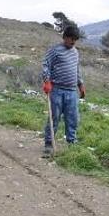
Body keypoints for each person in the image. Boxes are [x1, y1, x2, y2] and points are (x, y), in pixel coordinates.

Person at [41, 25, 85, 155]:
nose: (73, 42)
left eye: (75, 40)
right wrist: (47, 81)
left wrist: (80, 85)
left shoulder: (75, 52)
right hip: (57, 90)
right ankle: (49, 144)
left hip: (71, 91)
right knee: (54, 117)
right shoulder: (55, 50)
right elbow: (45, 65)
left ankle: (71, 142)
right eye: (71, 39)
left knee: (73, 118)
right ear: (65, 37)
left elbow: (77, 70)